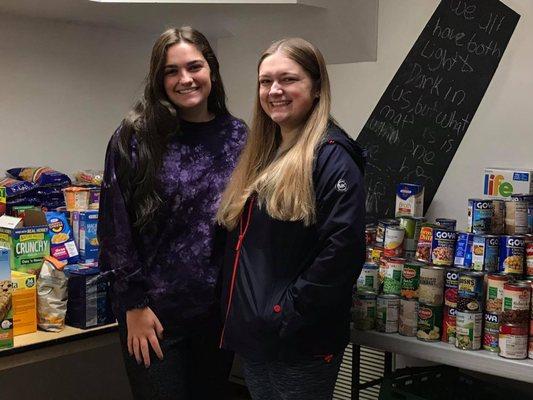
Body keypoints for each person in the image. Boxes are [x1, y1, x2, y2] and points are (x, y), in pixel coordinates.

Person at [97, 27, 247, 400]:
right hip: (153, 317)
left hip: (216, 317)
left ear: (211, 69)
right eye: (171, 71)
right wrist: (132, 305)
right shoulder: (136, 136)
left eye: (194, 66)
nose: (185, 79)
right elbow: (115, 227)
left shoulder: (237, 137)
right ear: (158, 79)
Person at [216, 37, 366, 400]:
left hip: (298, 338)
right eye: (266, 81)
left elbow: (342, 251)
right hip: (258, 334)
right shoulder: (265, 152)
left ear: (316, 88)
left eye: (288, 79)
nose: (275, 90)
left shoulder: (332, 156)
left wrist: (286, 312)